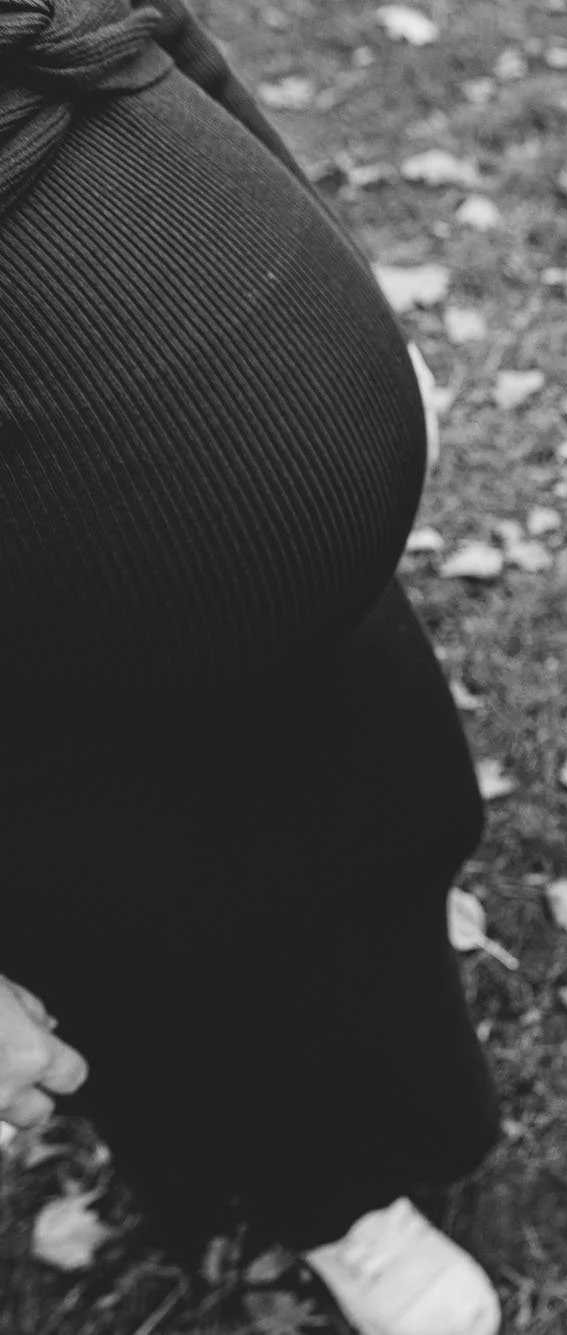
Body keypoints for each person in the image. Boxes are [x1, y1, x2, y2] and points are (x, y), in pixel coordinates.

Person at [0, 2, 503, 1333]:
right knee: (176, 981)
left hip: (324, 648)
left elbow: (146, 35)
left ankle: (411, 1108)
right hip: (41, 749)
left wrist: (340, 315)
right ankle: (332, 1203)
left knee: (384, 852)